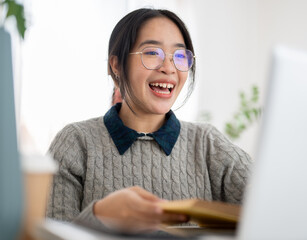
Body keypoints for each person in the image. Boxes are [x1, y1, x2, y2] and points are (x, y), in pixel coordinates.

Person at [46, 8, 252, 234]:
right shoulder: (75, 143)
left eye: (180, 56)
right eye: (153, 53)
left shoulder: (207, 144)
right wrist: (100, 215)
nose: (169, 68)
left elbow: (276, 206)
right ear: (116, 65)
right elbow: (48, 234)